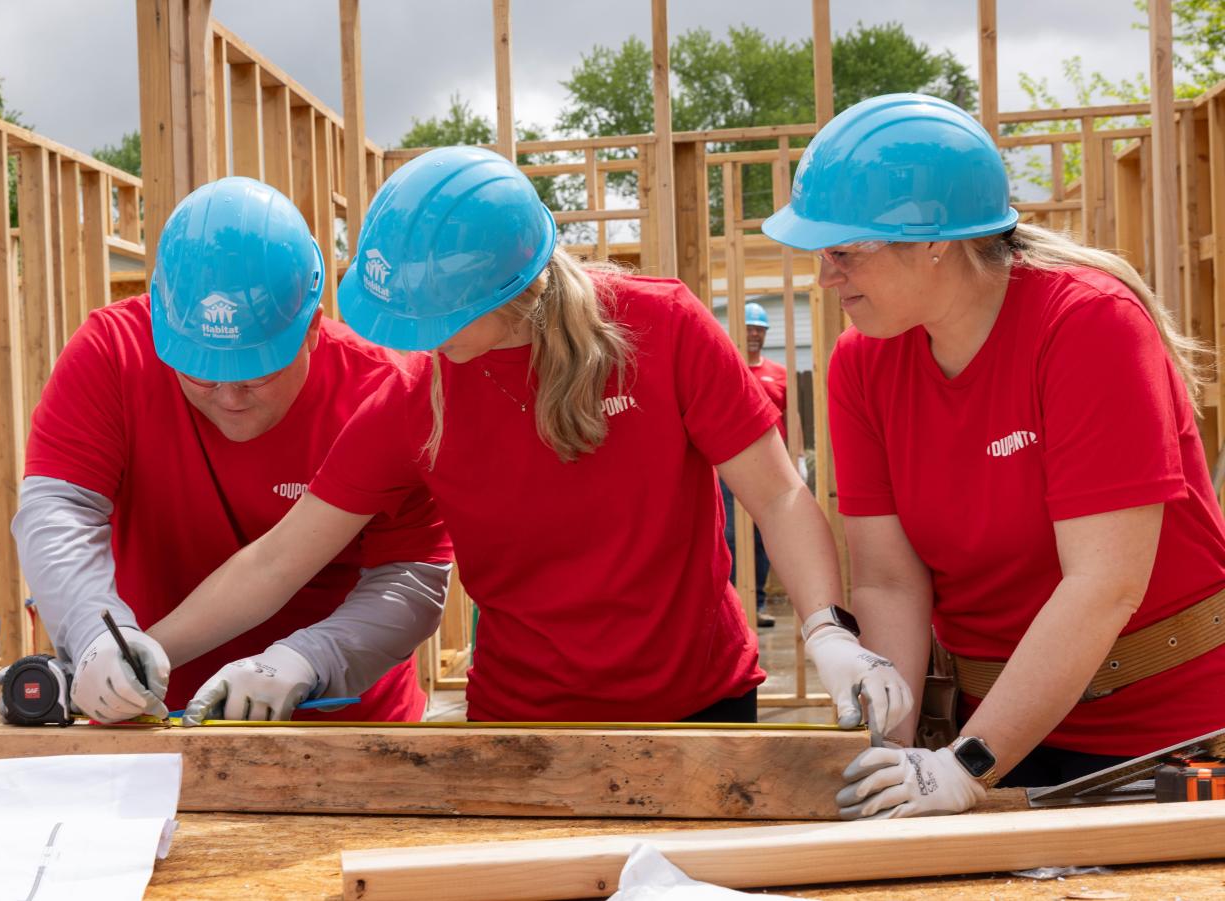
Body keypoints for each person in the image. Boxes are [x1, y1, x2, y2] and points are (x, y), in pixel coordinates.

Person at [145, 147, 910, 730]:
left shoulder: (663, 329)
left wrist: (827, 631)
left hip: (699, 707)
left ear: (512, 288)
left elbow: (778, 495)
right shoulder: (420, 396)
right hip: (525, 723)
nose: (420, 339)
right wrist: (153, 650)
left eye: (433, 317)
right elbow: (280, 556)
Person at [763, 93, 1225, 817]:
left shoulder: (1088, 326)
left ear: (934, 241)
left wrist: (967, 765)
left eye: (845, 251)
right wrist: (896, 752)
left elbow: (1102, 584)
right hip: (991, 735)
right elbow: (887, 582)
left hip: (1164, 739)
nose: (827, 277)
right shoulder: (862, 364)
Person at [12, 176, 452, 725]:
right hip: (147, 718)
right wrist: (96, 630)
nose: (228, 395)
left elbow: (410, 577)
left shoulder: (382, 391)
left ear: (312, 328)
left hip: (345, 722)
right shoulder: (113, 352)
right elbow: (58, 512)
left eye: (255, 372)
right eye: (200, 371)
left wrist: (312, 657)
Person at [722, 301, 786, 628]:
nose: (753, 335)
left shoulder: (778, 373)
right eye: (748, 328)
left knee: (762, 538)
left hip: (769, 468)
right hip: (731, 468)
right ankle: (736, 603)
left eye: (759, 330)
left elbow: (792, 419)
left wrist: (798, 458)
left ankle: (757, 603)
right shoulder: (730, 369)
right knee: (730, 535)